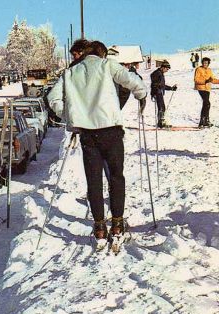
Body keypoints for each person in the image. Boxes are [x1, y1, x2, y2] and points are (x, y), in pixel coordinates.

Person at [47, 40, 147, 244]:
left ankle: (100, 226)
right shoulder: (107, 65)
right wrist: (141, 94)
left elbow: (53, 98)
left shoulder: (70, 72)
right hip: (111, 131)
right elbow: (131, 80)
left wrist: (70, 116)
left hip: (88, 134)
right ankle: (117, 224)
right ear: (102, 54)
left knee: (93, 180)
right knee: (116, 176)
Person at [150, 60, 177, 128]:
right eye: (167, 69)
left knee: (162, 108)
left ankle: (161, 122)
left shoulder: (160, 73)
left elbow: (162, 85)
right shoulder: (157, 73)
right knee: (161, 108)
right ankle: (161, 123)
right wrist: (156, 86)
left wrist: (171, 88)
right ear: (163, 67)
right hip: (157, 92)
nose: (167, 70)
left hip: (159, 92)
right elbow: (154, 81)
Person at [194, 57, 219, 127]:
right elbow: (196, 80)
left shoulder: (209, 70)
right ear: (202, 63)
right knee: (207, 103)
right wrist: (205, 81)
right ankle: (202, 121)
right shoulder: (198, 69)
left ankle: (205, 121)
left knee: (206, 104)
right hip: (201, 88)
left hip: (207, 89)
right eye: (204, 63)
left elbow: (212, 80)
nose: (205, 64)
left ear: (208, 64)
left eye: (206, 63)